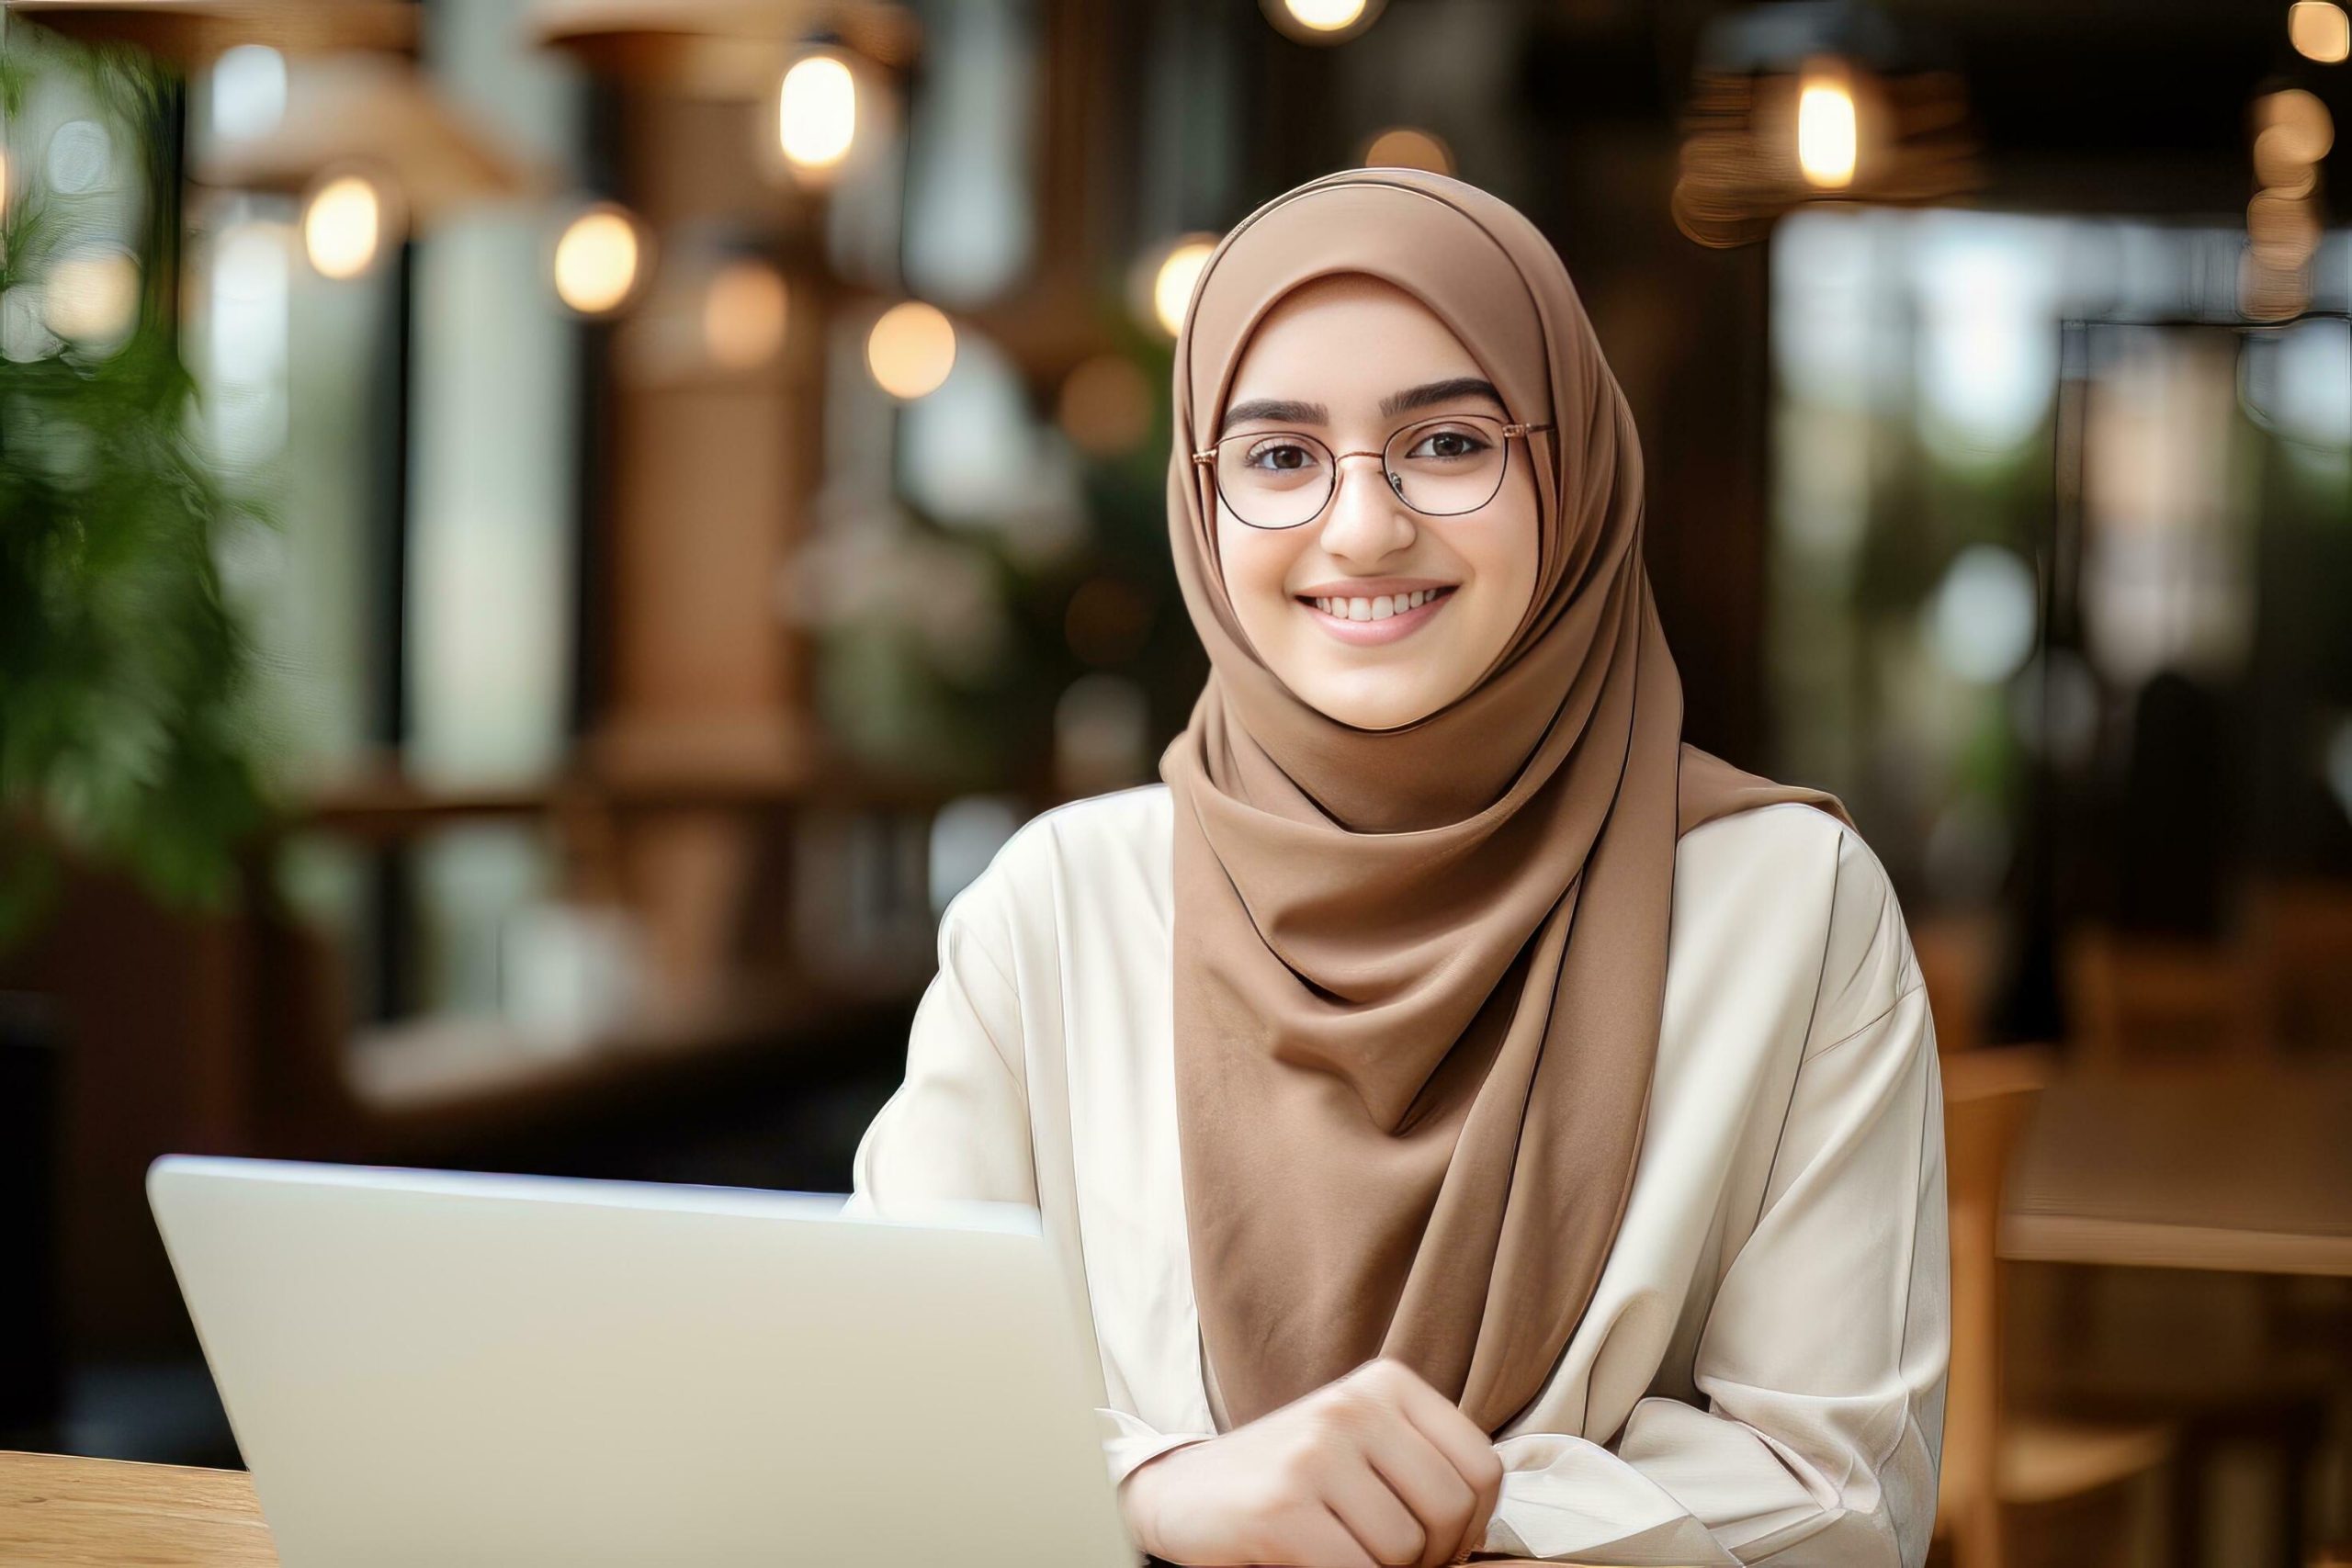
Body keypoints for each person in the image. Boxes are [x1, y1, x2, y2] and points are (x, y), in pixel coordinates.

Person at [842, 168, 1948, 1568]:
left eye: (1445, 442)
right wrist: (1166, 1490)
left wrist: (1385, 1511)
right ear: (1204, 500)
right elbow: (890, 1415)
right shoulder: (1052, 910)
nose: (1362, 528)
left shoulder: (1791, 905)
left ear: (1573, 467)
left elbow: (1844, 1498)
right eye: (1281, 457)